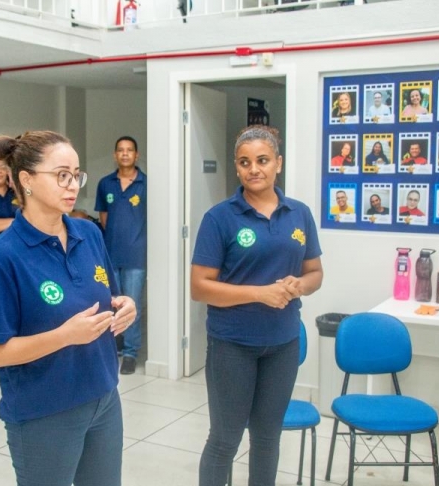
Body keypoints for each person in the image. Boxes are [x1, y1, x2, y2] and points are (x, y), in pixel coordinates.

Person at [0, 130, 137, 486]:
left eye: (76, 174)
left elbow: (109, 295)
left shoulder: (89, 233)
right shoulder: (4, 257)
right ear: (26, 180)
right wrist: (65, 336)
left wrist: (126, 305)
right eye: (61, 174)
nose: (73, 185)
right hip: (44, 409)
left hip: (103, 396)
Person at [191, 125, 323, 486]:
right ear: (237, 167)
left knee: (267, 437)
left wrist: (299, 286)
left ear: (277, 163)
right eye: (245, 162)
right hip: (232, 344)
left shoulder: (299, 213)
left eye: (262, 160)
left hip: (282, 343)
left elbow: (315, 273)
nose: (254, 169)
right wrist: (259, 293)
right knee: (225, 439)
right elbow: (199, 287)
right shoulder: (220, 218)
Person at [94, 136, 147, 374]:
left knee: (132, 304)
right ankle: (113, 344)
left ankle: (130, 353)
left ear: (136, 155)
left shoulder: (146, 184)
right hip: (110, 255)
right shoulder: (105, 184)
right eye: (120, 150)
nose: (125, 154)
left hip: (136, 256)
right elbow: (104, 218)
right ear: (115, 155)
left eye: (130, 150)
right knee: (110, 303)